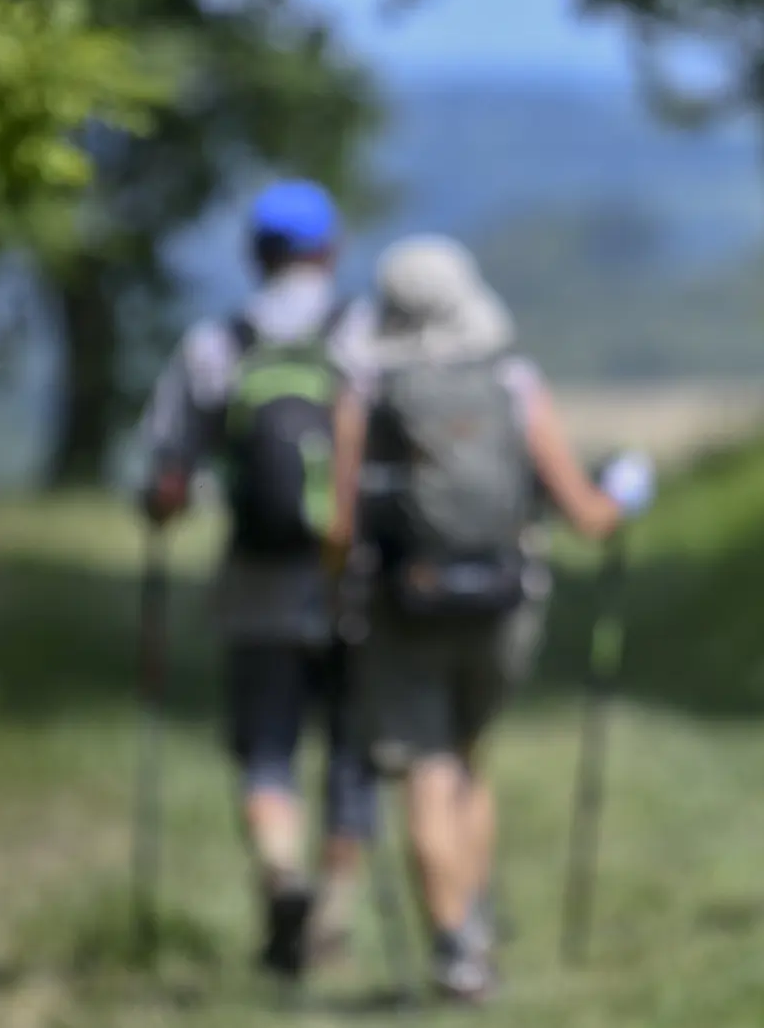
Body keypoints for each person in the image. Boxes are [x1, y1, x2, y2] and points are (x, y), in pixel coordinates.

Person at [328, 234, 654, 1002]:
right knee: (472, 757)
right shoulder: (512, 382)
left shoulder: (367, 389)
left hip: (402, 601)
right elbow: (585, 512)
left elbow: (339, 524)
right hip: (503, 602)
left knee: (425, 766)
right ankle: (472, 927)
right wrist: (627, 494)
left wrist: (338, 590)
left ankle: (452, 946)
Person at [140, 178, 380, 979]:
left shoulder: (217, 343)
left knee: (266, 747)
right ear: (330, 250)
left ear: (254, 254)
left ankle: (282, 874)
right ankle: (333, 921)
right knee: (352, 752)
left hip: (256, 579)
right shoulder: (363, 336)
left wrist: (160, 506)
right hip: (354, 579)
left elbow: (169, 480)